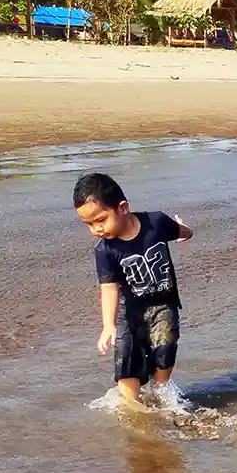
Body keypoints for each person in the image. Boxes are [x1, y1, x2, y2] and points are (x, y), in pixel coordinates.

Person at [73, 173, 194, 406]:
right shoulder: (105, 251)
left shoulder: (157, 223)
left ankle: (160, 394)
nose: (96, 229)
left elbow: (182, 232)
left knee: (165, 348)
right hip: (128, 312)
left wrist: (186, 232)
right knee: (126, 357)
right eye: (89, 224)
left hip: (163, 305)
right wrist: (108, 325)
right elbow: (109, 289)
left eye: (100, 220)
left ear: (123, 208)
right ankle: (132, 407)